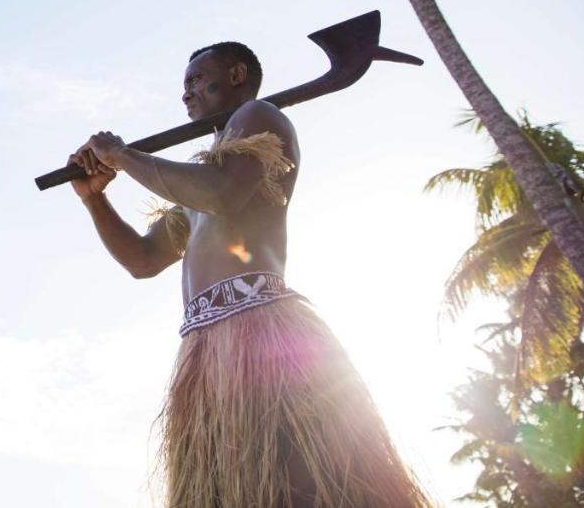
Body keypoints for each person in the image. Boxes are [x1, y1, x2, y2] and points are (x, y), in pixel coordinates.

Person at [70, 42, 431, 507]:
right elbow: (143, 260)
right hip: (203, 345)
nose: (187, 94)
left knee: (299, 482)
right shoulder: (199, 178)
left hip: (261, 334)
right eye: (185, 86)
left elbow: (224, 194)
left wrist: (124, 156)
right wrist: (94, 198)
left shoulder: (259, 117)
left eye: (197, 79)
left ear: (238, 74)